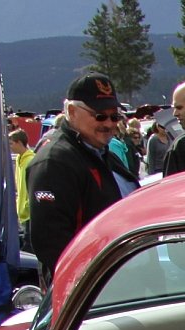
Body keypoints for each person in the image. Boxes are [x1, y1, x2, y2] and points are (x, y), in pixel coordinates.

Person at [27, 72, 126, 286]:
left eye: (114, 116)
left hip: (119, 278)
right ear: (72, 111)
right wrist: (90, 284)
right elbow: (51, 242)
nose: (109, 123)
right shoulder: (55, 161)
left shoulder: (102, 153)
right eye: (100, 116)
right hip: (89, 288)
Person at [8, 128, 34, 247]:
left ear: (19, 142)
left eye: (11, 143)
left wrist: (27, 206)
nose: (10, 147)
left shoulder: (30, 161)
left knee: (29, 245)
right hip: (22, 214)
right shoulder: (19, 159)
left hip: (29, 214)